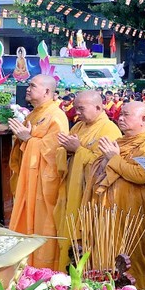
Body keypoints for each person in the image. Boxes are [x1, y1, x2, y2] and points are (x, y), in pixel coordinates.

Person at [84, 101, 145, 290]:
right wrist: (107, 160)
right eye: (120, 114)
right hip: (110, 213)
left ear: (143, 119)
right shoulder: (119, 142)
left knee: (135, 263)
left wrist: (113, 158)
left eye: (126, 115)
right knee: (108, 261)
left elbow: (140, 175)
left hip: (137, 216)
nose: (120, 118)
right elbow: (100, 170)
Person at [53, 90, 121, 271]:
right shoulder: (78, 127)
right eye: (76, 108)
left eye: (81, 108)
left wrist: (78, 150)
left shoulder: (109, 129)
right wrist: (66, 151)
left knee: (83, 241)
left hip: (89, 197)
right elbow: (63, 154)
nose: (77, 112)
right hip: (72, 190)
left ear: (98, 107)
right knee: (67, 234)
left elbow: (105, 167)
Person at [8, 74, 70, 268]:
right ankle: (24, 269)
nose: (27, 89)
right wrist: (21, 138)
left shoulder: (56, 116)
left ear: (47, 91)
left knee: (42, 227)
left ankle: (43, 272)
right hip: (29, 182)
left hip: (44, 186)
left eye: (32, 86)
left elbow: (55, 153)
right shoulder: (34, 114)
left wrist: (28, 139)